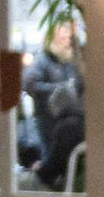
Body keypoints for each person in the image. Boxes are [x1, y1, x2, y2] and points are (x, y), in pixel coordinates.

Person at [24, 20, 83, 175]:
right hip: (48, 119)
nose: (67, 42)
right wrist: (57, 89)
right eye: (63, 39)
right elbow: (30, 85)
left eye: (68, 39)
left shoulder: (70, 61)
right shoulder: (42, 60)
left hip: (68, 118)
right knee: (50, 155)